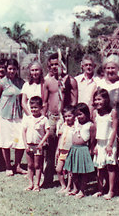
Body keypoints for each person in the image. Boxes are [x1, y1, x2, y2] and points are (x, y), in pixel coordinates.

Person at [42, 52, 78, 187]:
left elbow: (74, 101)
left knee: (66, 148)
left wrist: (69, 117)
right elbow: (45, 102)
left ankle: (70, 181)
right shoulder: (48, 82)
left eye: (57, 64)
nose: (54, 67)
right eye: (52, 65)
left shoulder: (70, 81)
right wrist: (44, 118)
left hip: (65, 118)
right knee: (50, 149)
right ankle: (48, 178)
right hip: (52, 117)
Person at [0, 59, 25, 176]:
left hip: (18, 116)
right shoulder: (1, 83)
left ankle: (18, 165)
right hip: (4, 117)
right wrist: (4, 109)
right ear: (6, 69)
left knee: (19, 141)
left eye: (14, 69)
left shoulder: (21, 82)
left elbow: (24, 99)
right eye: (10, 69)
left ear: (17, 70)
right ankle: (8, 166)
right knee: (5, 141)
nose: (12, 71)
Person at [94, 54, 119, 133]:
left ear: (118, 69)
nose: (110, 70)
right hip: (101, 124)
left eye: (113, 68)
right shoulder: (99, 84)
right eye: (108, 68)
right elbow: (92, 104)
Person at [64, 103, 95, 199]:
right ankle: (75, 188)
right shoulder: (76, 122)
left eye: (81, 114)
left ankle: (82, 190)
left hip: (83, 149)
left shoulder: (90, 125)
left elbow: (93, 140)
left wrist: (91, 149)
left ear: (86, 114)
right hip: (74, 148)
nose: (79, 117)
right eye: (77, 115)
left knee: (83, 172)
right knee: (73, 171)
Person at [92, 89, 118, 200]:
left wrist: (110, 144)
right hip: (99, 142)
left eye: (100, 99)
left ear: (106, 99)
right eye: (96, 99)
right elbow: (94, 130)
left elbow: (114, 128)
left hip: (109, 142)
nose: (97, 102)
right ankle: (100, 189)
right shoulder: (94, 113)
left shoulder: (113, 112)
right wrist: (94, 145)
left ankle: (111, 191)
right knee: (99, 167)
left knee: (110, 167)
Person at [22, 96, 50, 192]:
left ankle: (37, 185)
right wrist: (25, 144)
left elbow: (47, 132)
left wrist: (42, 143)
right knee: (30, 165)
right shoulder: (28, 119)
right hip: (29, 145)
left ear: (41, 108)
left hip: (38, 146)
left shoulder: (44, 119)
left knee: (37, 165)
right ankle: (30, 184)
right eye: (32, 107)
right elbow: (23, 131)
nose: (34, 109)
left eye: (36, 107)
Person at [56, 106, 76, 194]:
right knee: (58, 169)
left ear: (74, 116)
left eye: (69, 116)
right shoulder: (64, 126)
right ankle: (63, 185)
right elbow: (60, 138)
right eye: (66, 116)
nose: (67, 118)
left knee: (69, 170)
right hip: (62, 150)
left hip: (70, 151)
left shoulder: (75, 126)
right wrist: (57, 150)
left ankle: (69, 186)